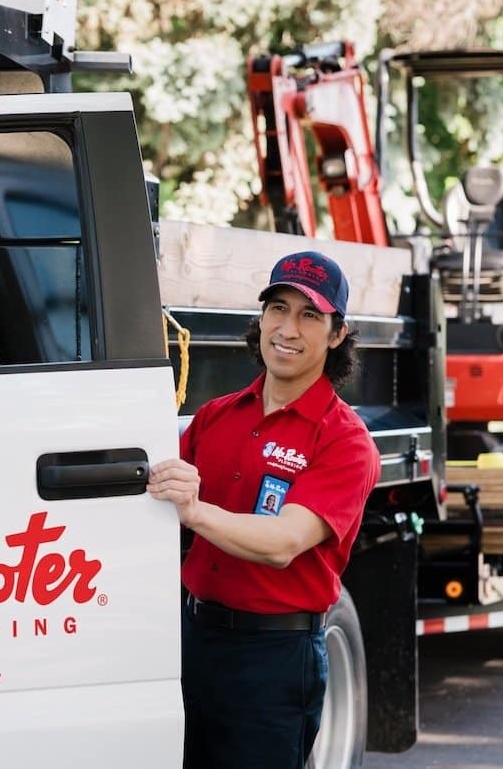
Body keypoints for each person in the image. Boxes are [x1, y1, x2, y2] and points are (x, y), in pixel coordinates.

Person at [148, 250, 380, 769]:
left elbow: (283, 543)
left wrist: (195, 511)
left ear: (337, 334)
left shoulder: (345, 441)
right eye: (278, 308)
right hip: (192, 641)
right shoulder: (215, 417)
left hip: (272, 660)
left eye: (309, 315)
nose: (287, 329)